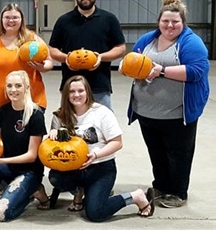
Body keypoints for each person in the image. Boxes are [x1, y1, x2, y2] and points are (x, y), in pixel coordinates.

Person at [122, 0, 210, 208]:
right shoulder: (147, 40)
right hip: (146, 111)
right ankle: (160, 186)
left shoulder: (191, 43)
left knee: (178, 154)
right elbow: (132, 61)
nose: (169, 26)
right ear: (159, 21)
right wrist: (127, 68)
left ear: (183, 23)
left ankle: (178, 192)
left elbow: (197, 71)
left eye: (175, 22)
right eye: (165, 21)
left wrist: (161, 71)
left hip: (177, 113)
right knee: (157, 152)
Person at [45, 75, 155, 222]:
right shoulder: (60, 116)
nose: (76, 95)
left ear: (87, 92)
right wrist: (52, 134)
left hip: (100, 168)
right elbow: (51, 150)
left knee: (95, 213)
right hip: (74, 168)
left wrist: (95, 155)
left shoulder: (101, 113)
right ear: (66, 94)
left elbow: (117, 142)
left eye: (80, 91)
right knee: (55, 177)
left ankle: (135, 196)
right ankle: (78, 192)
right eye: (72, 91)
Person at [0, 70, 47, 222]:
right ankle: (11, 187)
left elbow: (31, 156)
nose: (13, 90)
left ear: (27, 88)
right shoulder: (3, 111)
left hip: (28, 171)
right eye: (9, 86)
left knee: (1, 213)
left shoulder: (35, 114)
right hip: (8, 167)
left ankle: (33, 190)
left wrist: (1, 161)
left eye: (18, 86)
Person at [48, 0, 126, 110]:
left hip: (100, 86)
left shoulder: (109, 19)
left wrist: (101, 57)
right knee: (70, 126)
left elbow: (120, 48)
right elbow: (52, 49)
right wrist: (67, 58)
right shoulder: (63, 21)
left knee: (102, 128)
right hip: (71, 86)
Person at [0, 3, 53, 134]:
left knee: (27, 141)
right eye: (7, 17)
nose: (11, 21)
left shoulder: (32, 39)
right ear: (1, 19)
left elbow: (49, 61)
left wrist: (42, 66)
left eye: (15, 17)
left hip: (30, 100)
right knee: (0, 144)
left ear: (22, 20)